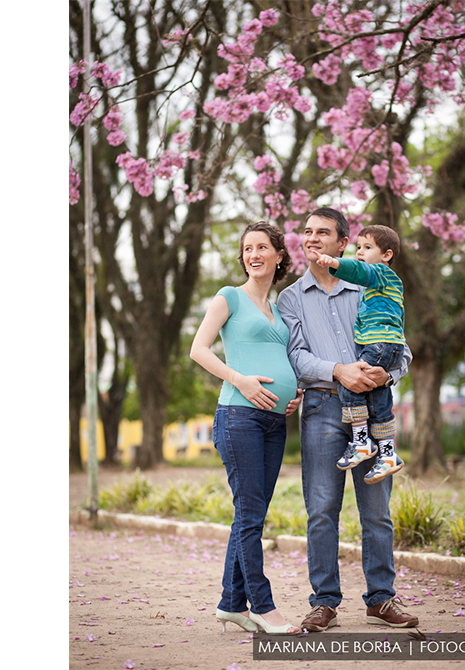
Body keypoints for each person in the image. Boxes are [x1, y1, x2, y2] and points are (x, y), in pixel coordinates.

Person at [277, 207, 418, 632]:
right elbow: (296, 355)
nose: (313, 238)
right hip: (322, 408)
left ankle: (382, 599)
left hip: (373, 404)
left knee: (376, 510)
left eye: (324, 232)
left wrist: (385, 373)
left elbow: (400, 347)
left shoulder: (369, 282)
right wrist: (339, 370)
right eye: (307, 232)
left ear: (343, 244)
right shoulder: (291, 298)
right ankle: (324, 602)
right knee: (321, 509)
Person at [190, 221, 303, 636]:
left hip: (276, 420)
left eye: (262, 248)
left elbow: (285, 359)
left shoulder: (278, 309)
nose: (253, 255)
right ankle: (262, 606)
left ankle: (231, 604)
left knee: (250, 514)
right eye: (247, 249)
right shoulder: (229, 298)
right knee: (251, 516)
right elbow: (198, 348)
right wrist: (240, 379)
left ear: (278, 255)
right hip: (239, 415)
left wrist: (298, 393)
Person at [315, 224, 406, 484]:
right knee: (378, 400)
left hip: (379, 344)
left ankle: (361, 441)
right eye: (358, 248)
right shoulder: (388, 285)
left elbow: (359, 271)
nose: (360, 253)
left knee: (350, 384)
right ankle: (388, 454)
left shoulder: (380, 273)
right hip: (389, 346)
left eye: (367, 248)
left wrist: (335, 262)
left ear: (386, 255)